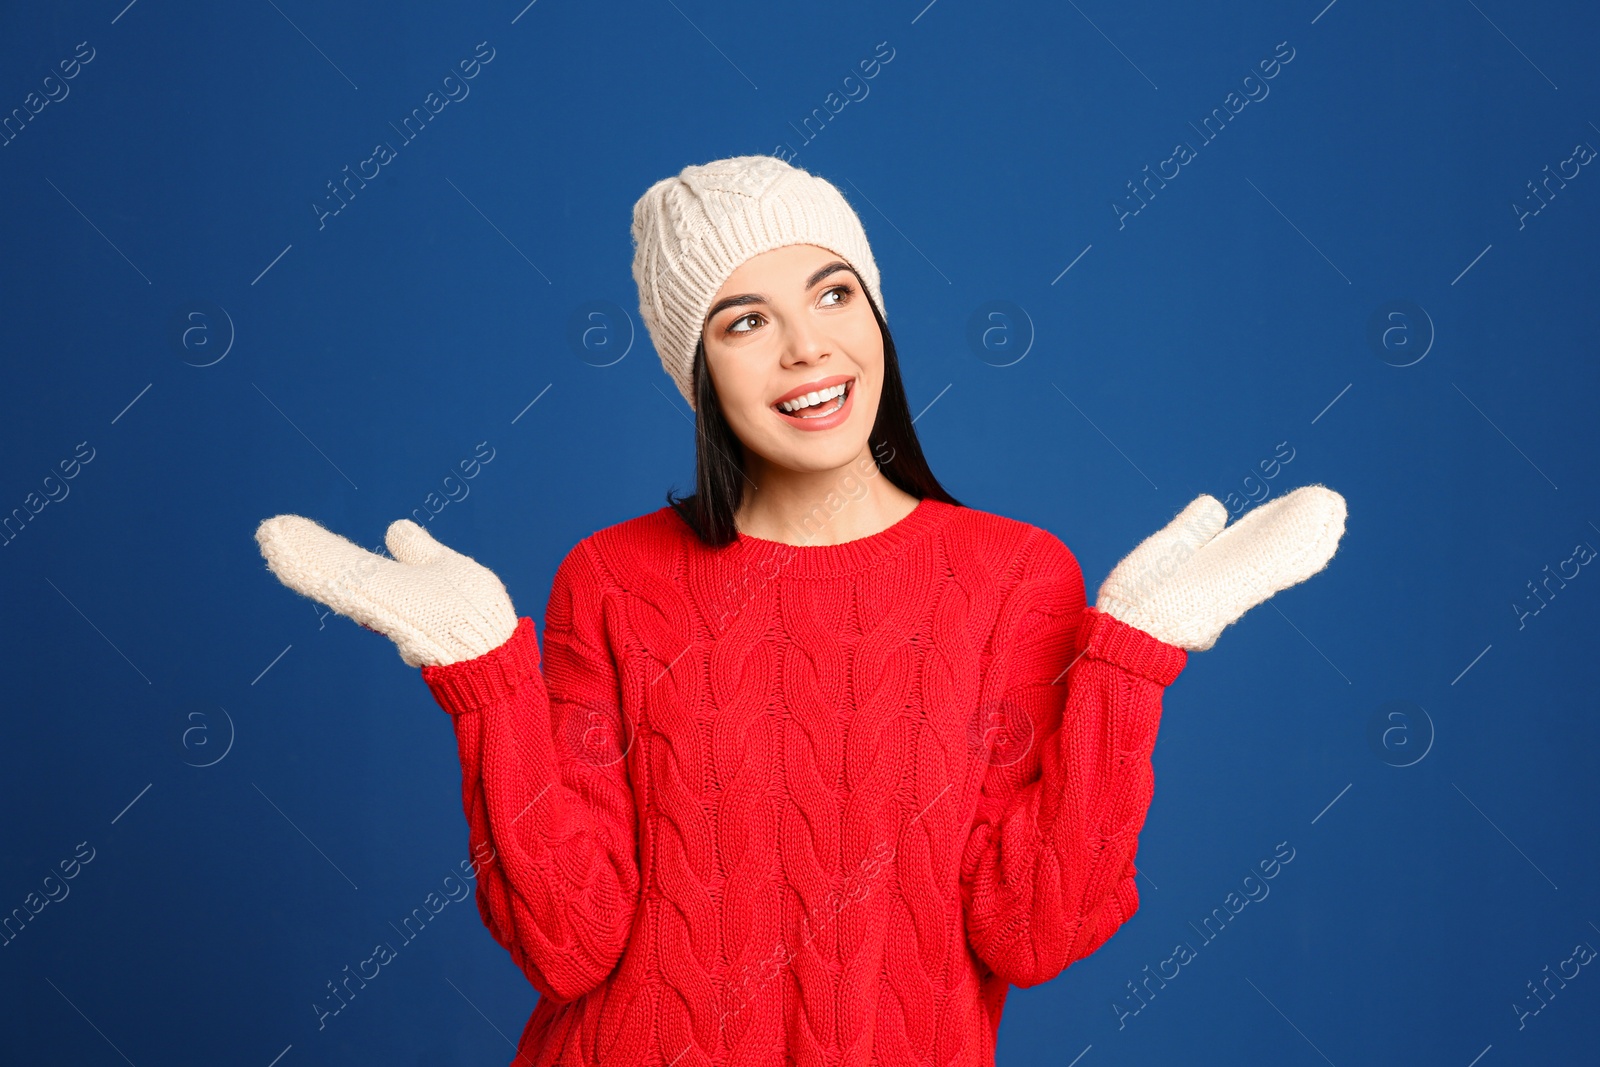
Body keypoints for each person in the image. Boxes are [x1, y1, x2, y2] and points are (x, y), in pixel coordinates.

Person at [254, 154, 1347, 1067]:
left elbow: (1032, 927)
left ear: (876, 310)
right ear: (696, 368)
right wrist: (485, 673)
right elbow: (569, 943)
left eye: (833, 293)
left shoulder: (1016, 577)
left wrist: (1132, 661)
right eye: (743, 320)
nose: (807, 347)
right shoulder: (612, 578)